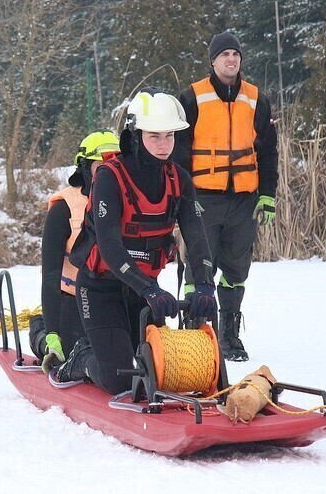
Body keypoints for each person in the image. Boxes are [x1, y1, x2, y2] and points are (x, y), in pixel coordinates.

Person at [56, 89, 217, 394]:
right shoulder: (108, 177)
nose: (163, 144)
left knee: (155, 370)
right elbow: (108, 245)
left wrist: (206, 284)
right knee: (121, 380)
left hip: (143, 291)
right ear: (136, 134)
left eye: (169, 136)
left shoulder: (179, 179)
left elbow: (196, 236)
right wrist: (149, 289)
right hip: (100, 287)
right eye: (154, 135)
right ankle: (82, 357)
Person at [171, 32, 279, 362]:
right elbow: (179, 152)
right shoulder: (192, 97)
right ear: (213, 61)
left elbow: (268, 150)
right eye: (224, 54)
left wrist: (267, 195)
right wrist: (182, 196)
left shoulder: (256, 99)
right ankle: (196, 330)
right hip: (203, 198)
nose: (231, 59)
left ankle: (229, 335)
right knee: (199, 268)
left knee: (236, 270)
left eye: (236, 54)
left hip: (244, 199)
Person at [29, 130, 121, 372]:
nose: (109, 172)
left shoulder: (127, 202)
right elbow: (50, 275)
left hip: (114, 297)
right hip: (72, 301)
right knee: (75, 353)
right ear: (84, 167)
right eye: (101, 165)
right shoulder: (64, 208)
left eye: (114, 164)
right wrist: (51, 333)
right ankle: (40, 331)